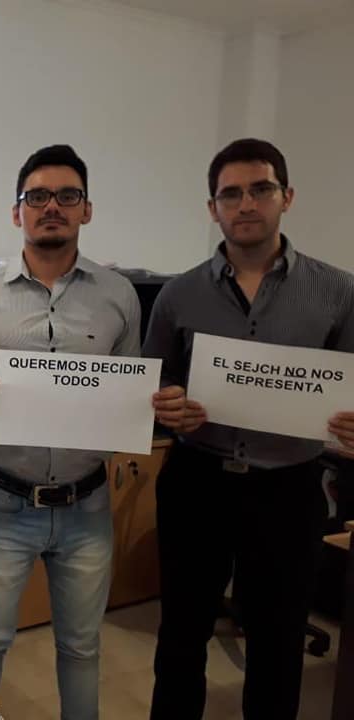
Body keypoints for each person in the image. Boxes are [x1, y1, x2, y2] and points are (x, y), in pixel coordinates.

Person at [144, 138, 354, 720]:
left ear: (287, 196)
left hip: (288, 488)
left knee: (278, 644)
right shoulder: (178, 294)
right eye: (230, 194)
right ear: (212, 207)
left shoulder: (339, 292)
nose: (246, 204)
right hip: (198, 481)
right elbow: (155, 384)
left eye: (261, 189)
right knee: (181, 634)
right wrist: (168, 407)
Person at [0, 145, 141, 718]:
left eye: (67, 196)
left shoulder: (119, 295)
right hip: (2, 500)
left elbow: (126, 388)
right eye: (38, 196)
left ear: (86, 209)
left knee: (82, 646)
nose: (53, 207)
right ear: (17, 211)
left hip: (87, 502)